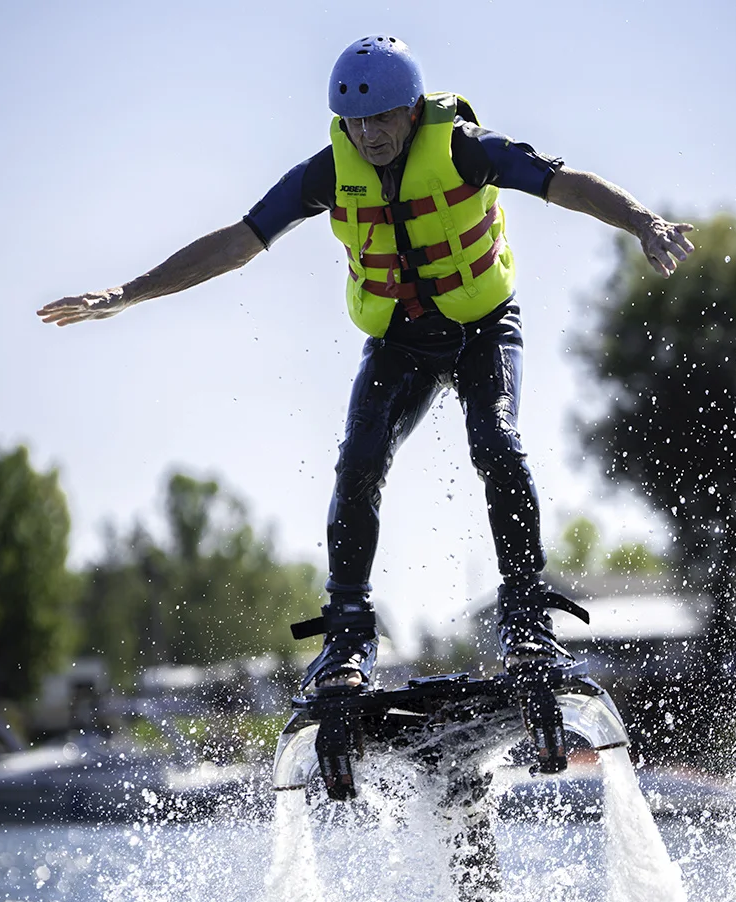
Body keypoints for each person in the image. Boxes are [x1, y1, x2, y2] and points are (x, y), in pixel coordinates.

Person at [39, 36, 693, 691]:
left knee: (495, 440)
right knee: (359, 460)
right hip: (400, 340)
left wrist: (643, 222)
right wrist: (128, 293)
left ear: (411, 113)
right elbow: (241, 240)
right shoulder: (328, 172)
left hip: (483, 330)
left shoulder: (467, 147)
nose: (369, 134)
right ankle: (348, 638)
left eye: (381, 118)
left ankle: (525, 618)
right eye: (356, 122)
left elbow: (564, 183)